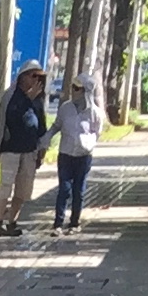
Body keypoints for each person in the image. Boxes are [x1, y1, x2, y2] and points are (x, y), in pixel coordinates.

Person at [0, 62, 50, 235]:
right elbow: (11, 117)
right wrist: (27, 99)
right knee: (6, 185)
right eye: (33, 76)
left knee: (23, 189)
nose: (36, 80)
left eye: (39, 77)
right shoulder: (12, 95)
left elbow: (41, 125)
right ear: (23, 77)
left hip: (30, 150)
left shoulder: (38, 99)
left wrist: (42, 148)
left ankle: (12, 222)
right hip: (11, 149)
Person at [53, 72, 101, 231]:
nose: (73, 90)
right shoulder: (65, 108)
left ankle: (74, 222)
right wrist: (45, 140)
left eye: (77, 88)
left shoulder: (94, 113)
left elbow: (97, 132)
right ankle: (58, 223)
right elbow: (57, 125)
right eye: (72, 87)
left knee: (78, 191)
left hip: (83, 157)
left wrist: (87, 144)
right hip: (65, 154)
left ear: (86, 91)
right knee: (64, 189)